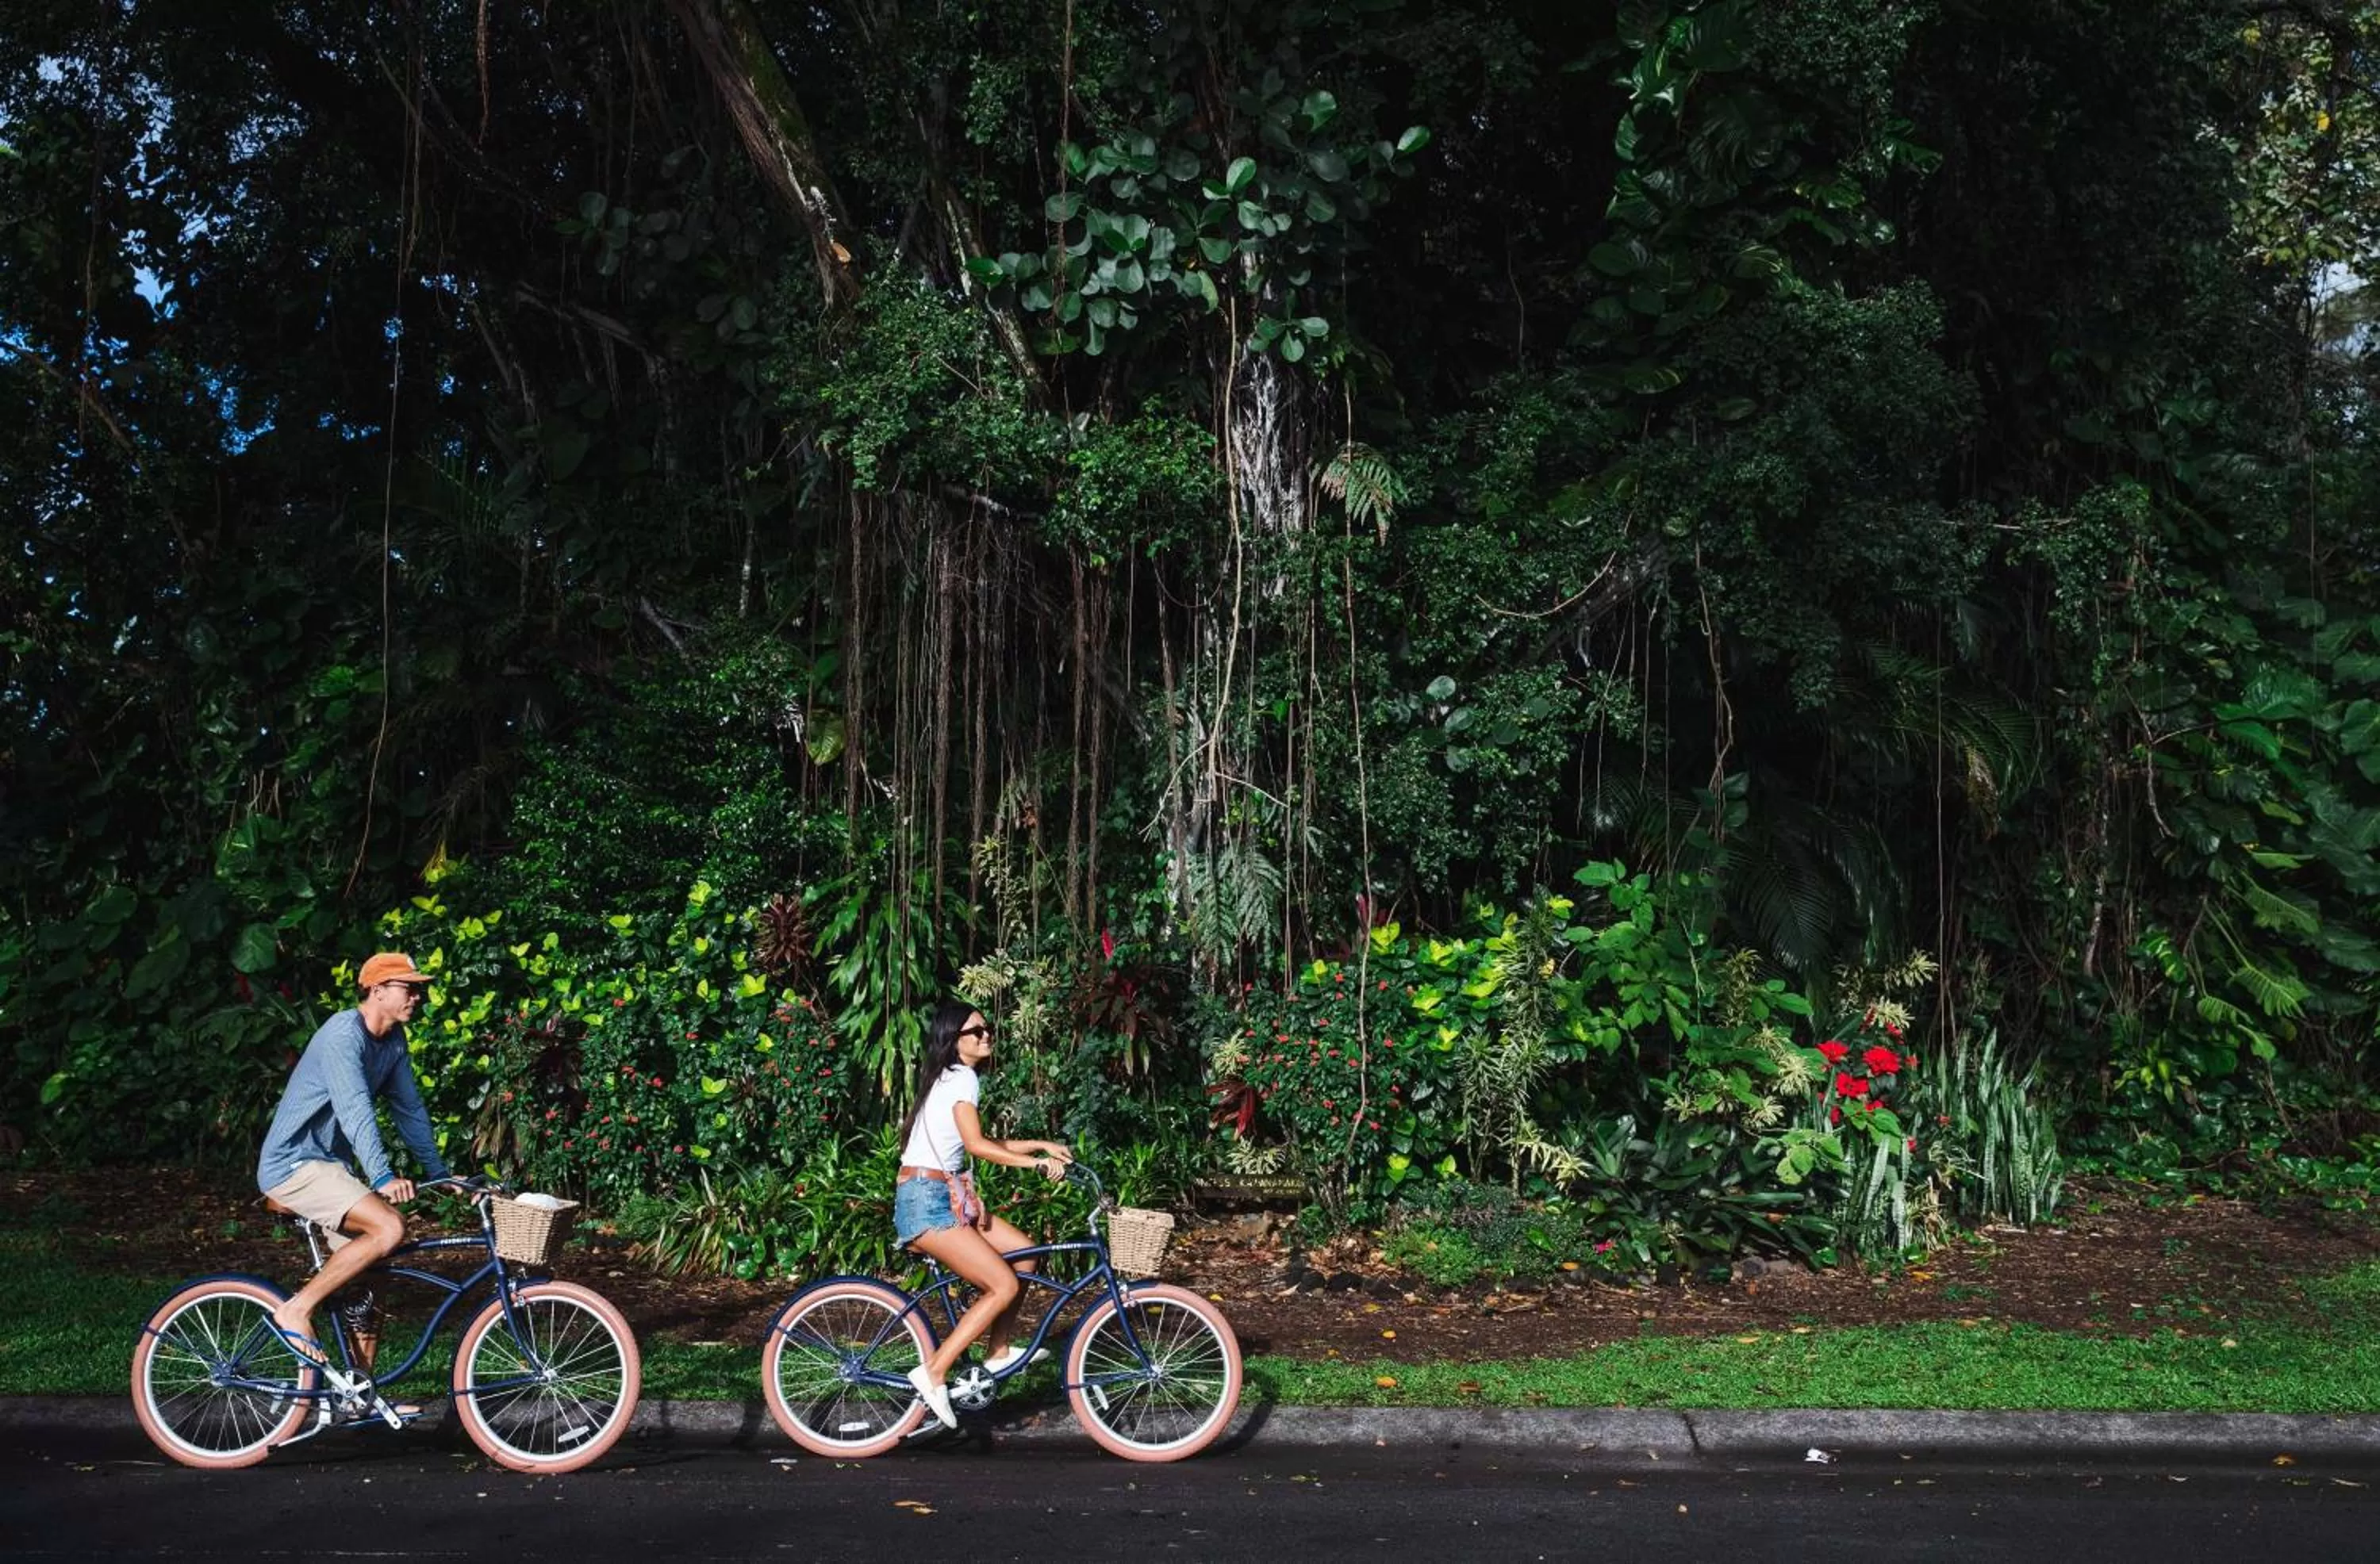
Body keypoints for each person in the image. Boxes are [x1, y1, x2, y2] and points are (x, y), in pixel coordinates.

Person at [255, 951, 451, 1367]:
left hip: (329, 1169)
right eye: (409, 987)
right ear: (377, 991)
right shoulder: (343, 1035)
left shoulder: (393, 1041)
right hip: (294, 1163)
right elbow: (354, 1107)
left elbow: (409, 1109)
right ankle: (295, 1308)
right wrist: (381, 1177)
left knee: (372, 1273)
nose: (418, 996)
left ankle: (360, 1392)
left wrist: (440, 1173)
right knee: (389, 1226)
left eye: (420, 989)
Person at [894, 999, 1070, 1429]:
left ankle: (998, 1351)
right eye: (975, 1031)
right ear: (954, 1042)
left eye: (987, 1029)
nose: (986, 1035)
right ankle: (933, 1371)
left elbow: (980, 1140)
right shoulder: (963, 1078)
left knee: (1025, 1252)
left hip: (939, 1194)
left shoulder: (953, 1078)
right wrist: (1037, 1165)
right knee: (1003, 1284)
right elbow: (977, 1147)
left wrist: (1039, 1145)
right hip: (927, 1200)